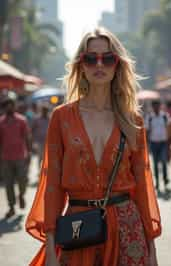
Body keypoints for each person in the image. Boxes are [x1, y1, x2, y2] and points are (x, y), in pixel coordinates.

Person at [26, 27, 161, 266]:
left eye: (108, 58)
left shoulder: (132, 120)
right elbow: (53, 187)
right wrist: (50, 246)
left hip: (127, 228)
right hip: (78, 228)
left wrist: (151, 246)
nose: (100, 64)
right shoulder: (62, 117)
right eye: (91, 58)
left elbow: (143, 185)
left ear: (117, 64)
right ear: (81, 64)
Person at [0, 97, 32, 218]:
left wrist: (29, 153)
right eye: (7, 105)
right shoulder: (1, 122)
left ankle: (21, 195)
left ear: (14, 106)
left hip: (20, 157)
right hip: (5, 158)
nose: (9, 107)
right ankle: (11, 206)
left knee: (23, 180)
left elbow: (27, 137)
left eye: (11, 105)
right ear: (4, 107)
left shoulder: (21, 120)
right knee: (8, 184)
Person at [145, 100, 169, 192]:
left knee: (163, 162)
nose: (156, 108)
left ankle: (165, 179)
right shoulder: (150, 117)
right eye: (154, 106)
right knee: (155, 164)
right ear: (152, 107)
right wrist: (147, 144)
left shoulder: (165, 116)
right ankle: (157, 182)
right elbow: (147, 131)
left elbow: (169, 129)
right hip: (154, 143)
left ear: (160, 106)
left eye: (157, 105)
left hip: (163, 143)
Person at [32, 104, 50, 169]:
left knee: (47, 157)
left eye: (46, 110)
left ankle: (46, 170)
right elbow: (32, 130)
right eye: (44, 110)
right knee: (40, 157)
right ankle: (40, 170)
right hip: (39, 141)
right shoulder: (37, 119)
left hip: (48, 142)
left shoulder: (50, 119)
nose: (45, 112)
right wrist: (33, 141)